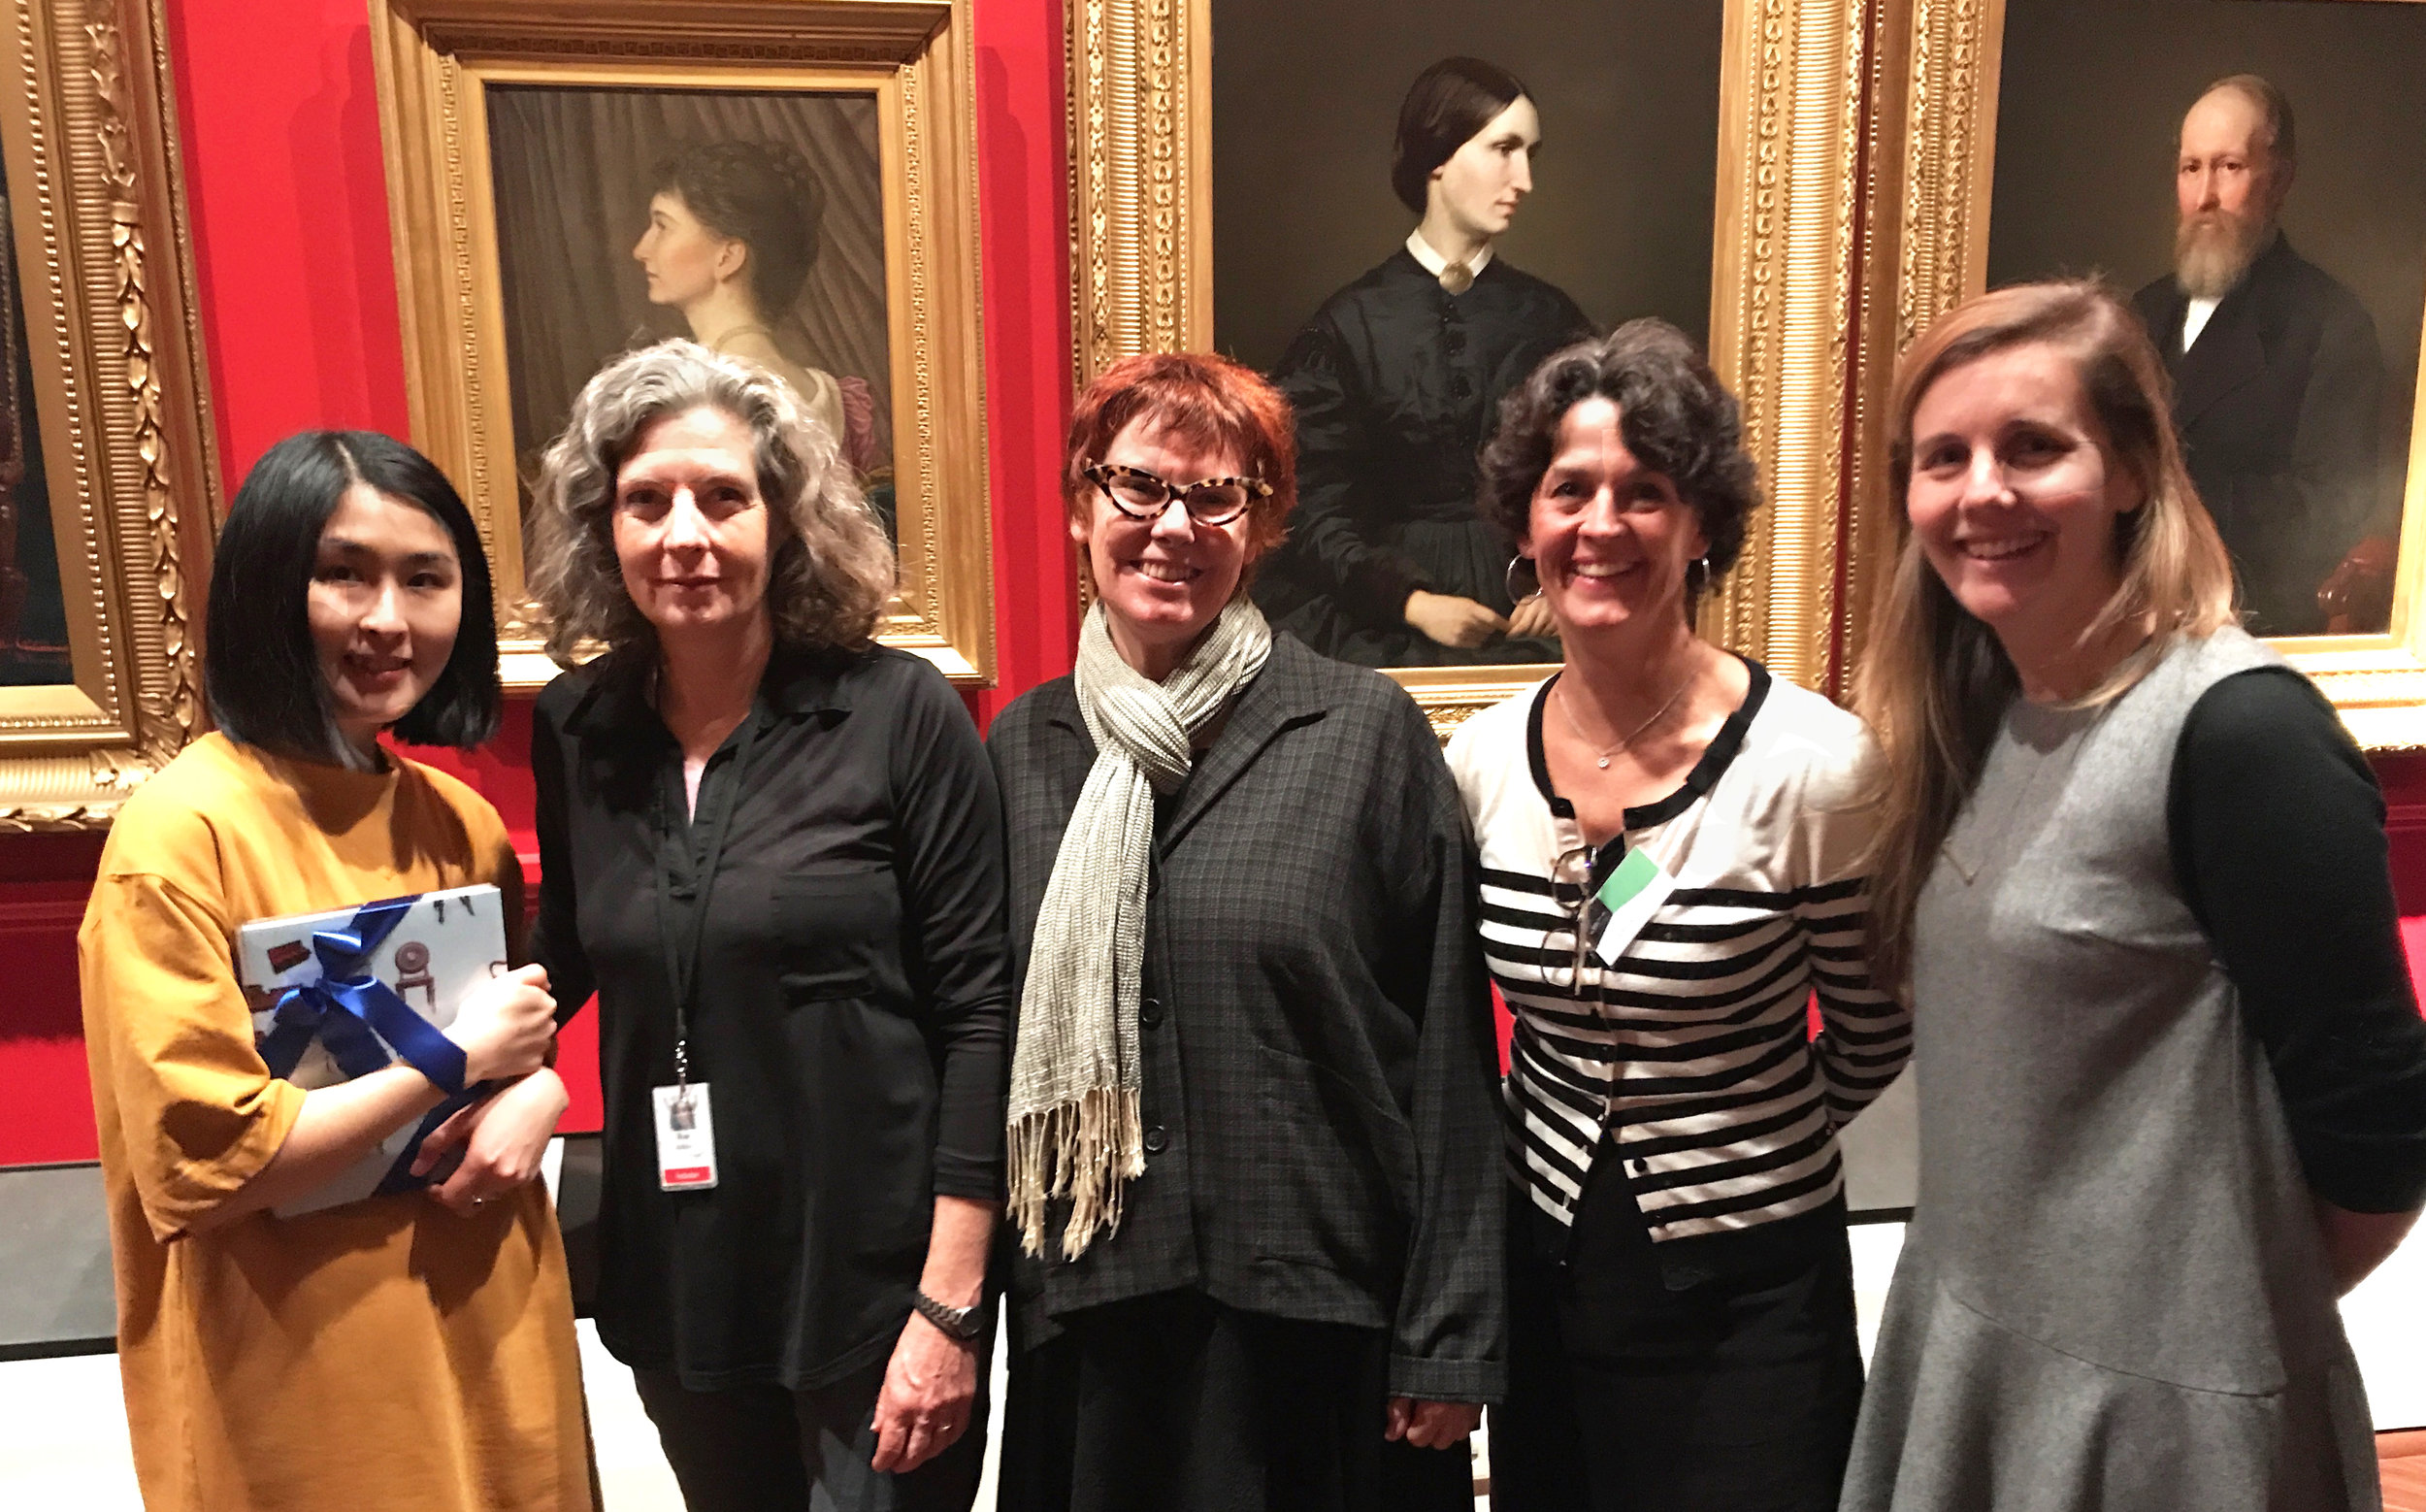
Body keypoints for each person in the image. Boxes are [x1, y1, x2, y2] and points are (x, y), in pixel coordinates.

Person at [1843, 280, 2426, 1510]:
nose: (1982, 491)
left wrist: (2189, 1332)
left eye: (2032, 447)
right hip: (1979, 1347)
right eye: (1944, 457)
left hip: (2159, 1424)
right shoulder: (1987, 716)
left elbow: (2378, 1137)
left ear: (2128, 471)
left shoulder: (2242, 734)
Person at [989, 351, 1505, 1511]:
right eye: (1138, 486)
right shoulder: (1021, 749)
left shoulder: (1363, 731)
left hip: (1318, 1326)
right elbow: (980, 1038)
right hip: (1096, 1319)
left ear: (1262, 525)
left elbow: (1448, 1055)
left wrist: (1448, 1338)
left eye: (1216, 495)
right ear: (1081, 505)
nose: (1172, 526)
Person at [523, 340, 1009, 1512]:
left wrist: (949, 1306)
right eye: (647, 501)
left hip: (877, 1285)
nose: (683, 534)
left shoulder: (898, 714)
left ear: (785, 519)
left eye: (723, 497)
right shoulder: (580, 726)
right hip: (682, 1273)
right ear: (604, 528)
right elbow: (566, 957)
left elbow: (982, 1016)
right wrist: (444, 1072)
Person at [1443, 324, 1911, 1512]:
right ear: (1524, 523)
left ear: (1702, 526)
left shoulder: (1815, 767)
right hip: (1548, 1273)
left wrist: (1738, 1140)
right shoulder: (1480, 762)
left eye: (1644, 492)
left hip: (1752, 1300)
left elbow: (1873, 1031)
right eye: (1569, 491)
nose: (1600, 525)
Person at [78, 431, 590, 1511]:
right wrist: (450, 1059)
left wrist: (538, 1088)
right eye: (344, 574)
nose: (388, 619)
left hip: (490, 1320)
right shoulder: (180, 837)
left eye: (425, 579)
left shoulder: (460, 823)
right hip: (301, 1369)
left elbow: (510, 1061)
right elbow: (205, 1164)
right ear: (270, 589)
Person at [1252, 56, 1593, 669]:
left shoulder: (1550, 318)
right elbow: (1310, 505)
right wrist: (1411, 603)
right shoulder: (1349, 323)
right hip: (1378, 613)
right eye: (1503, 149)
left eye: (1529, 154)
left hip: (1535, 606)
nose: (1523, 180)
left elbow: (1596, 475)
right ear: (1438, 156)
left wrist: (1557, 582)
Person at [2129, 74, 2385, 637]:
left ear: (2280, 180)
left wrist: (2162, 489)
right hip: (2127, 619)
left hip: (2249, 627)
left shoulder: (2330, 323)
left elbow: (2330, 511)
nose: (2205, 197)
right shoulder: (2139, 314)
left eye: (2229, 167)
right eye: (2191, 168)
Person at [635, 138, 876, 471]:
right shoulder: (831, 396)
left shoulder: (697, 391)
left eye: (662, 226)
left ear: (728, 257)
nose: (641, 250)